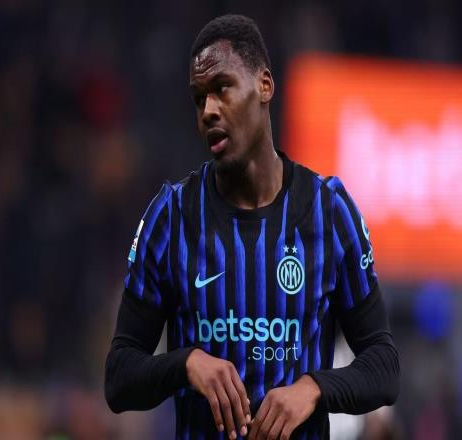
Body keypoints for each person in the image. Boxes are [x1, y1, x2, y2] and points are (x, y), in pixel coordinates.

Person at [104, 14, 400, 440]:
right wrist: (186, 364)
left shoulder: (330, 212)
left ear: (264, 85)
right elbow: (119, 376)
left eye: (222, 88)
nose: (208, 111)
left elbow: (384, 365)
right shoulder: (171, 217)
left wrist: (314, 388)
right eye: (199, 98)